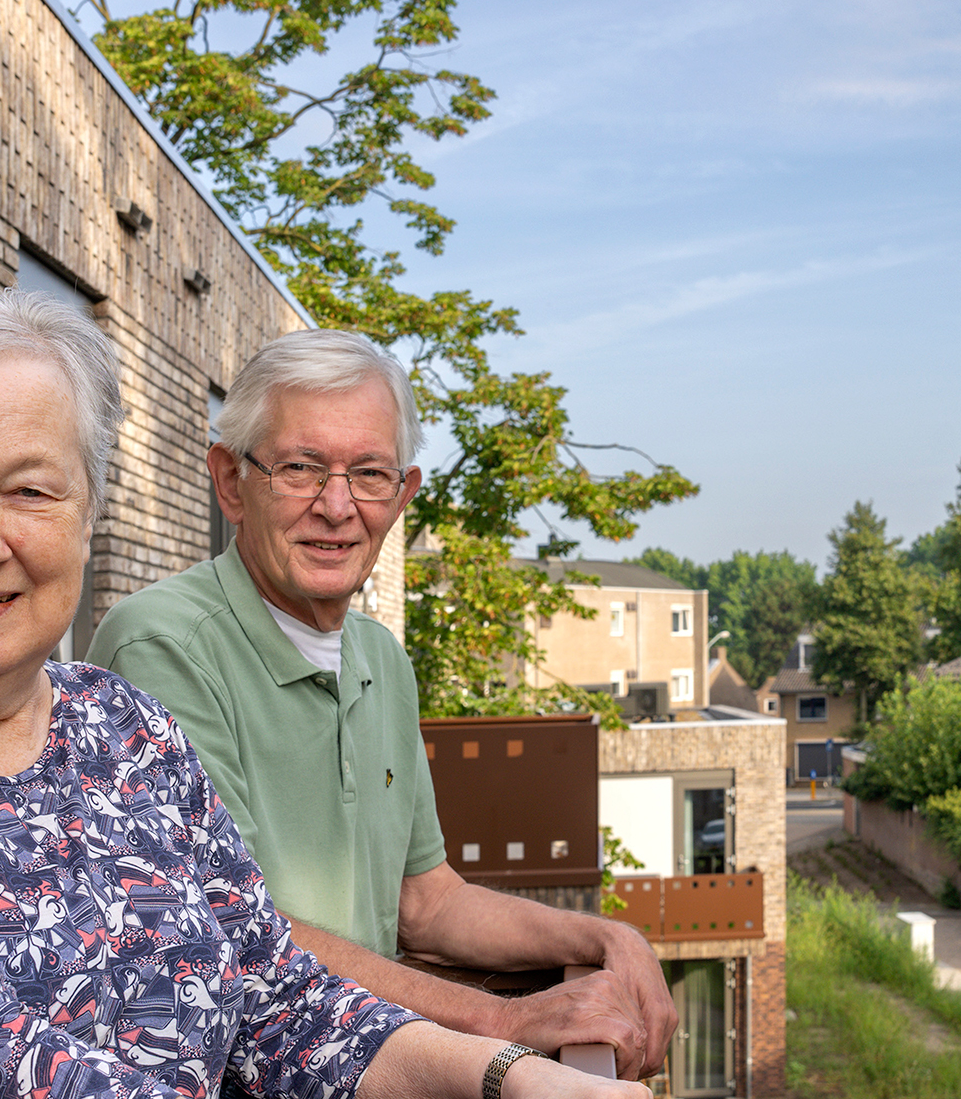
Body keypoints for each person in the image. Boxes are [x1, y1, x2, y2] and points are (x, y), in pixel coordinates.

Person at [0, 286, 650, 1099]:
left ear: (88, 514)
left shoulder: (122, 727)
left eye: (30, 490)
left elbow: (279, 996)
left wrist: (512, 1073)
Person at [86, 330, 679, 1081]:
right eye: (301, 467)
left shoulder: (382, 659)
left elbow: (425, 902)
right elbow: (237, 934)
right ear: (230, 482)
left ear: (403, 496)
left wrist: (604, 939)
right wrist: (502, 1021)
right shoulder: (162, 647)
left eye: (368, 473)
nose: (337, 506)